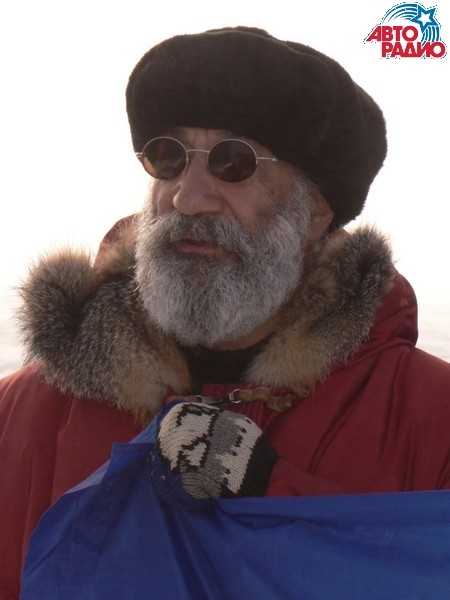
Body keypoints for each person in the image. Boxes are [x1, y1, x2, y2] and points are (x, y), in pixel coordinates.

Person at [1, 26, 450, 599]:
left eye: (234, 163)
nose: (187, 198)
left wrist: (271, 491)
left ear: (315, 211)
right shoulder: (21, 413)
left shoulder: (431, 421)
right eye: (167, 158)